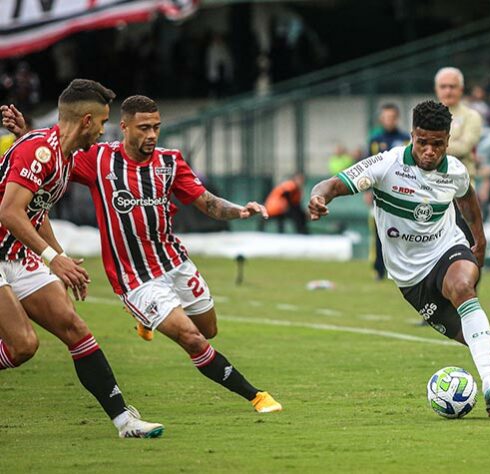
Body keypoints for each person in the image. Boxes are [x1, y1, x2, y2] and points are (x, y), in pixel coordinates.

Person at [4, 95, 283, 414]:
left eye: (156, 128)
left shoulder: (170, 162)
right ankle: (257, 397)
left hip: (175, 262)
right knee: (192, 339)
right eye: (144, 128)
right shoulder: (98, 160)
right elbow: (57, 152)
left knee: (208, 330)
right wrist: (26, 134)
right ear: (124, 127)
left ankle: (147, 320)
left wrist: (240, 211)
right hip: (134, 277)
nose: (151, 134)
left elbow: (207, 202)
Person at [309, 100, 490, 416]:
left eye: (437, 144)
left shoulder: (455, 171)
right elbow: (330, 185)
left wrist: (479, 242)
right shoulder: (385, 165)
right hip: (412, 280)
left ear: (447, 142)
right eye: (422, 142)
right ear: (412, 135)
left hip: (447, 250)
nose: (429, 151)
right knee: (486, 345)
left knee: (463, 285)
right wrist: (318, 197)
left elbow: (469, 204)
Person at [0, 80, 162, 438]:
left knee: (74, 328)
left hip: (13, 252)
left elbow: (35, 213)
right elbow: (10, 212)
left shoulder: (62, 155)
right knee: (23, 345)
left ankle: (125, 421)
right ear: (87, 120)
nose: (105, 130)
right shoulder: (40, 150)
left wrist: (61, 258)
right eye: (103, 122)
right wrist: (52, 260)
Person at [434, 67, 483, 247]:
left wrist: (431, 146)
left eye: (452, 86)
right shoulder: (425, 114)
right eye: (444, 86)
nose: (448, 90)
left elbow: (465, 147)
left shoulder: (472, 116)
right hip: (431, 187)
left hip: (462, 187)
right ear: (436, 89)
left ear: (461, 89)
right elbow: (414, 147)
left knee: (465, 243)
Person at [368, 104, 411, 280]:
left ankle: (403, 268)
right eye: (386, 117)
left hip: (402, 191)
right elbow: (369, 164)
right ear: (381, 119)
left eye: (392, 117)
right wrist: (367, 189)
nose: (389, 120)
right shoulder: (375, 139)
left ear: (397, 118)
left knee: (404, 231)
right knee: (380, 231)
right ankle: (379, 269)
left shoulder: (404, 139)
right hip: (381, 192)